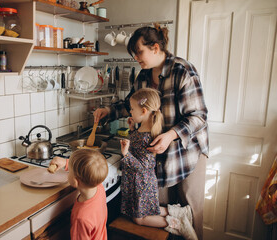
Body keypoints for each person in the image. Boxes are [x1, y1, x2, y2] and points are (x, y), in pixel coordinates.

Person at [93, 23, 209, 239]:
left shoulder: (183, 71)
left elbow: (198, 116)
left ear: (155, 48)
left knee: (191, 214)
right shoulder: (144, 76)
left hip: (187, 153)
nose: (136, 58)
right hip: (158, 154)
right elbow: (131, 104)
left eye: (139, 52)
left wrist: (171, 134)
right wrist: (108, 110)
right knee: (162, 216)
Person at [120, 88, 197, 240]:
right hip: (140, 183)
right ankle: (180, 212)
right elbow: (136, 142)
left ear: (143, 111)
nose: (130, 112)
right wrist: (131, 129)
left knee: (139, 218)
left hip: (141, 183)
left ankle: (177, 224)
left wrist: (125, 154)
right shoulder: (143, 130)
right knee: (149, 209)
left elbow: (143, 166)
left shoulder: (146, 137)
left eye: (132, 109)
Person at [50, 149, 109, 240]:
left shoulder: (81, 218)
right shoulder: (99, 188)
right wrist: (66, 163)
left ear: (75, 181)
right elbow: (87, 168)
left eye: (70, 172)